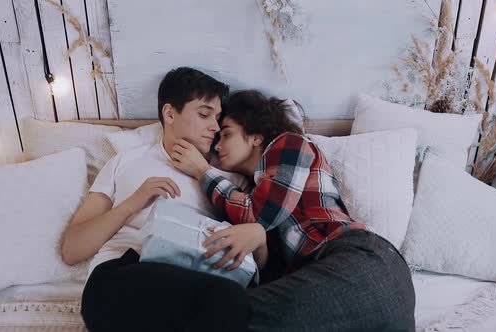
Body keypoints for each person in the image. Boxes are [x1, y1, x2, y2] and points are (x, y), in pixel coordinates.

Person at [171, 90, 416, 331]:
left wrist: (203, 172)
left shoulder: (288, 144)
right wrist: (260, 245)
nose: (218, 147)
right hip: (344, 288)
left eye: (226, 134)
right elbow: (273, 273)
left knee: (229, 316)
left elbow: (260, 215)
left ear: (255, 135)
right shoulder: (252, 191)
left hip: (363, 264)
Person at [62, 67, 251, 332]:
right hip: (121, 273)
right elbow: (73, 249)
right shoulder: (125, 161)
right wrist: (133, 202)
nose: (215, 127)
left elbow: (254, 252)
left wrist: (203, 173)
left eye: (218, 118)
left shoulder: (228, 181)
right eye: (204, 114)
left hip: (195, 277)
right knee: (227, 299)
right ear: (170, 113)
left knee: (234, 300)